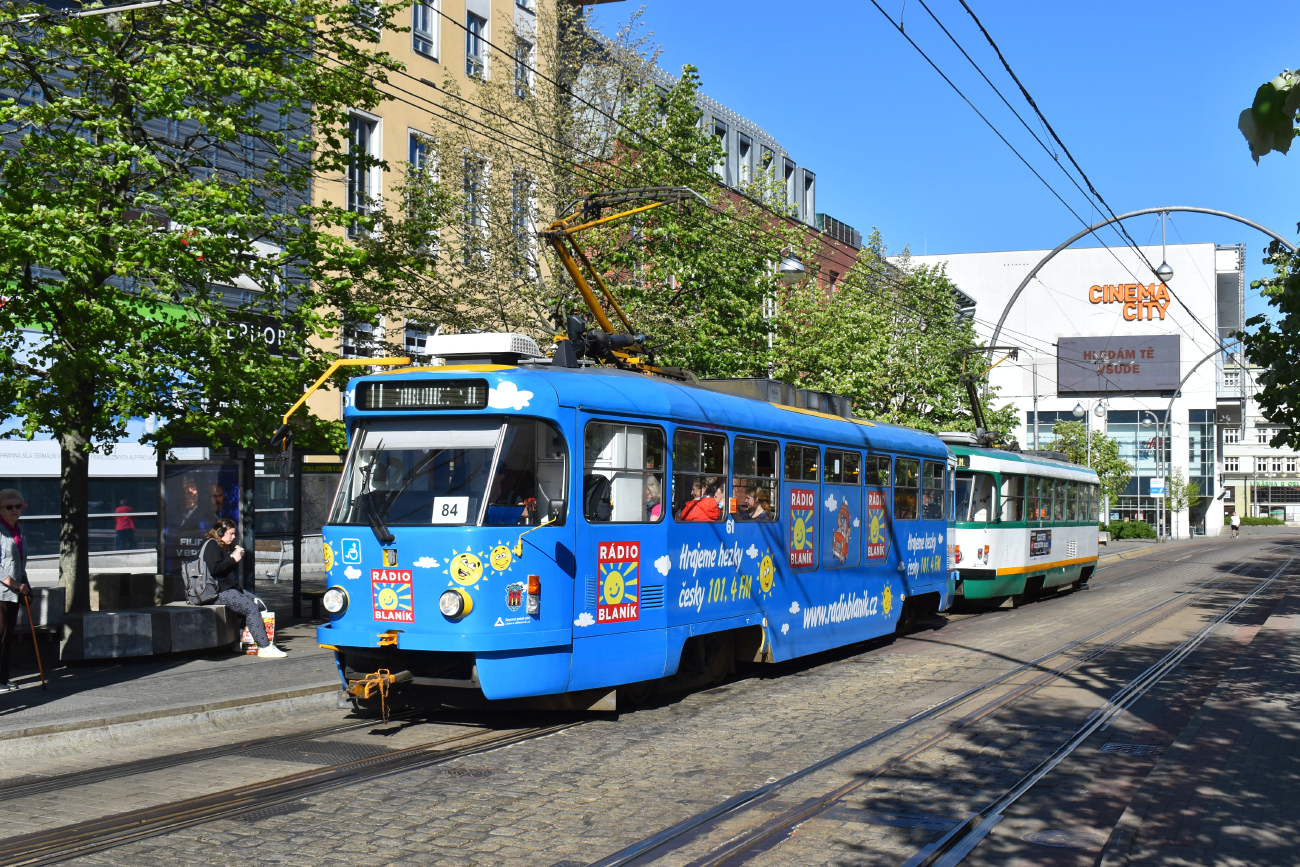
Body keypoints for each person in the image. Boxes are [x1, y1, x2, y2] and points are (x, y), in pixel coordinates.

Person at [202, 519, 286, 658]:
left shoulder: (220, 547)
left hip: (226, 589)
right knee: (250, 608)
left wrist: (233, 559)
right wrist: (233, 559)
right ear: (221, 532)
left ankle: (240, 643)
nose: (234, 537)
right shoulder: (212, 545)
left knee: (258, 604)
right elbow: (214, 569)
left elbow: (224, 570)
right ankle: (264, 647)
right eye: (231, 534)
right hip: (216, 592)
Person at [0, 489, 32, 691]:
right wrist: (14, 583)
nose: (14, 510)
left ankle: (3, 677)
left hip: (13, 592)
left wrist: (25, 584)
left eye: (17, 506)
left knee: (7, 636)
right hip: (2, 591)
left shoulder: (18, 529)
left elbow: (20, 562)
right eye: (9, 507)